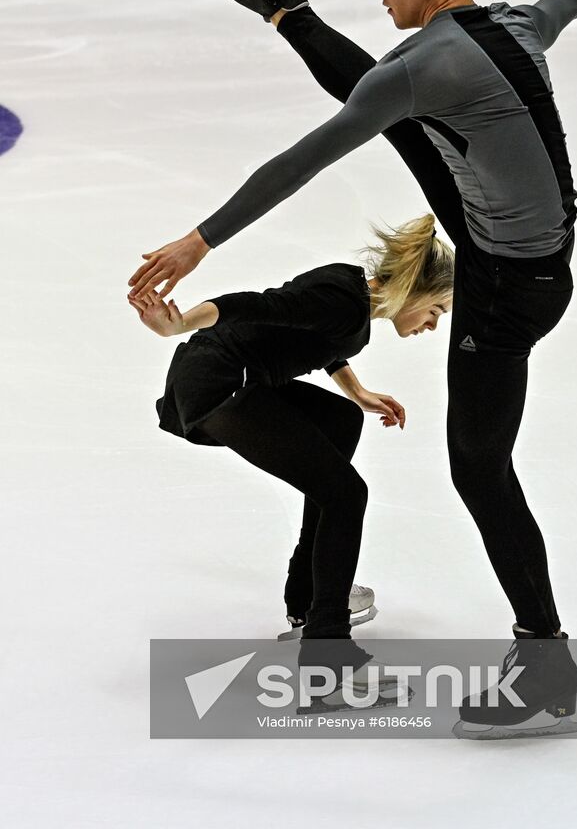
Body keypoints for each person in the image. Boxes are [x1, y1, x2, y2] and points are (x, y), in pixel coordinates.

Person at [127, 0, 577, 730]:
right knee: (400, 117)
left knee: (479, 469)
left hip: (505, 291)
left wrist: (201, 241)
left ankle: (545, 657)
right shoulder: (515, 24)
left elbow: (302, 160)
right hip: (540, 254)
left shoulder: (426, 66)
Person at [128, 214, 453, 649]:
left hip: (231, 376)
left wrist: (357, 392)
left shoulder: (352, 296)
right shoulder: (341, 301)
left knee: (341, 421)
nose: (432, 325)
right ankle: (327, 644)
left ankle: (311, 595)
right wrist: (181, 323)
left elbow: (318, 340)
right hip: (221, 382)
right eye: (436, 310)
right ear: (416, 289)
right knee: (346, 495)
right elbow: (256, 305)